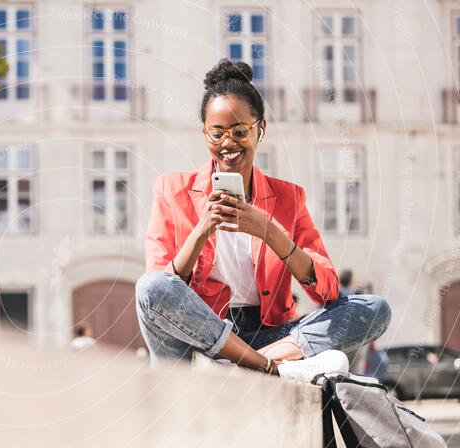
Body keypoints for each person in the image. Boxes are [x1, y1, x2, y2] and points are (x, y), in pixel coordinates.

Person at [136, 59, 391, 381]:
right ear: (204, 134)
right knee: (150, 286)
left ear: (261, 129)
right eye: (216, 134)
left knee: (374, 309)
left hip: (270, 334)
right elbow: (161, 290)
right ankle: (264, 367)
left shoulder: (288, 198)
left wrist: (270, 232)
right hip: (195, 336)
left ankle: (243, 364)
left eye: (239, 131)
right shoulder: (172, 190)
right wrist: (202, 229)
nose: (227, 144)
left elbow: (327, 291)